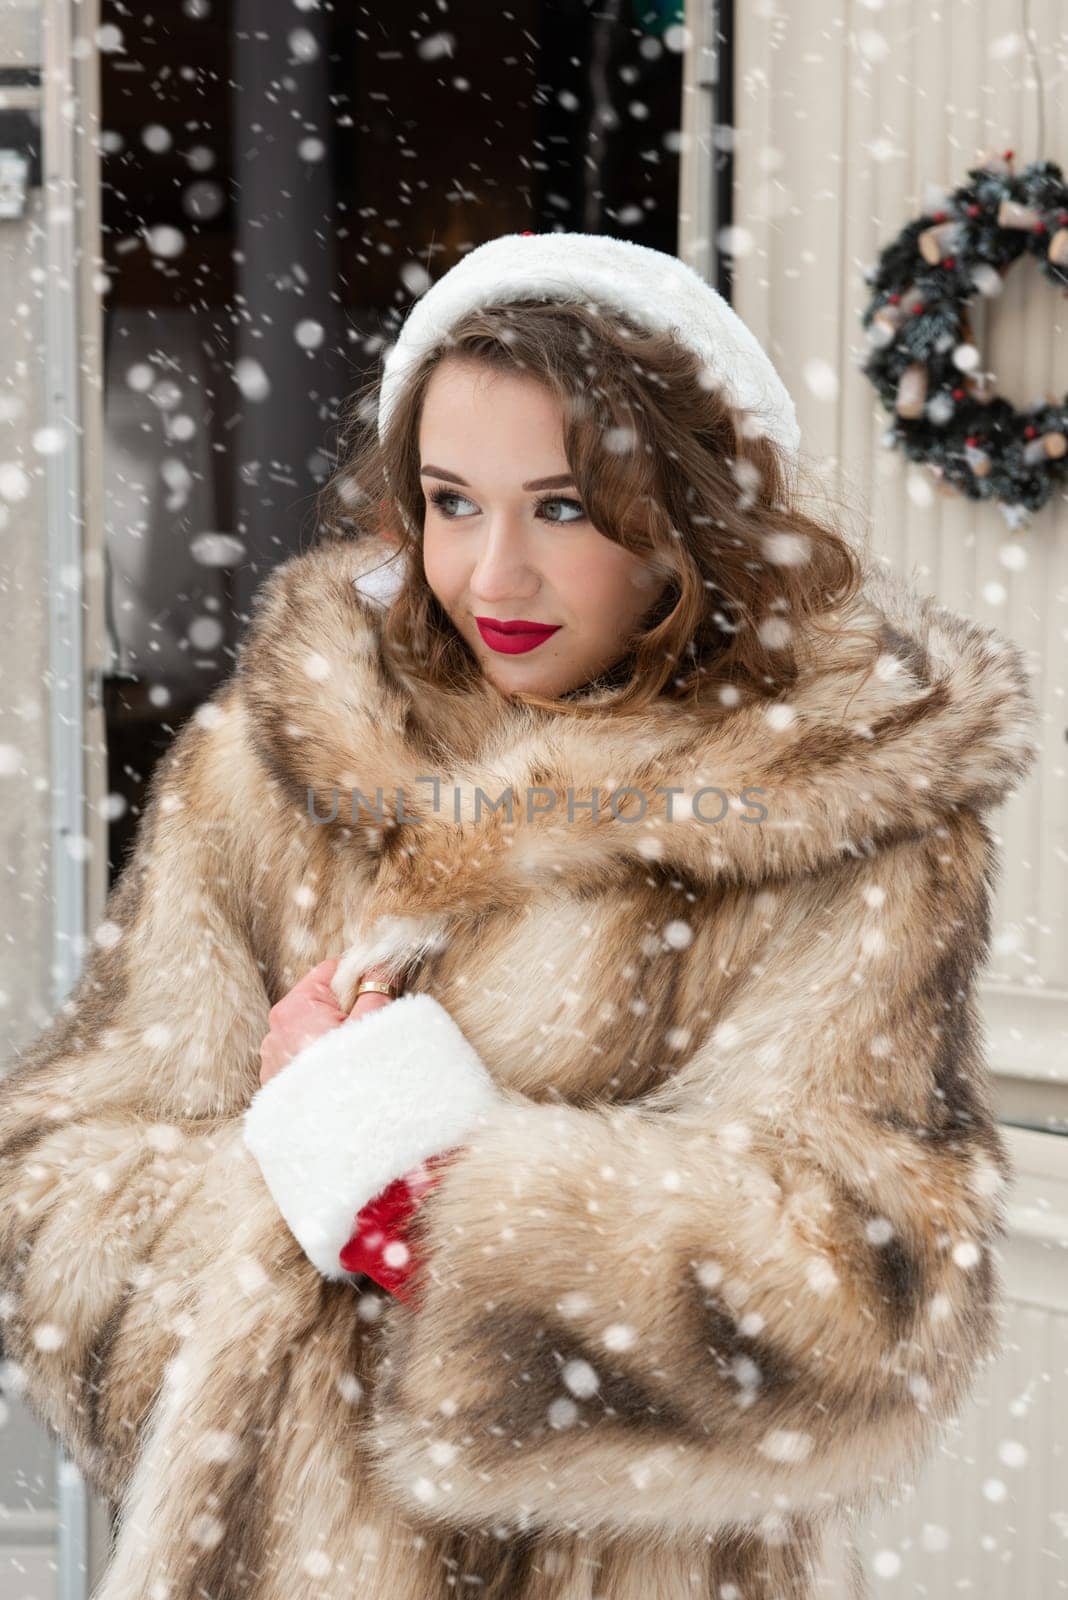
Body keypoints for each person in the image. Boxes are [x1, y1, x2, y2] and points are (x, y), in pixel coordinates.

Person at [0, 231, 1038, 1600]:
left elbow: (872, 1292)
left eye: (562, 508)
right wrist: (294, 1184)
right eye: (448, 501)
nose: (493, 578)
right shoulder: (278, 766)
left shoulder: (834, 819)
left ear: (691, 507)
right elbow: (56, 1177)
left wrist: (441, 1201)